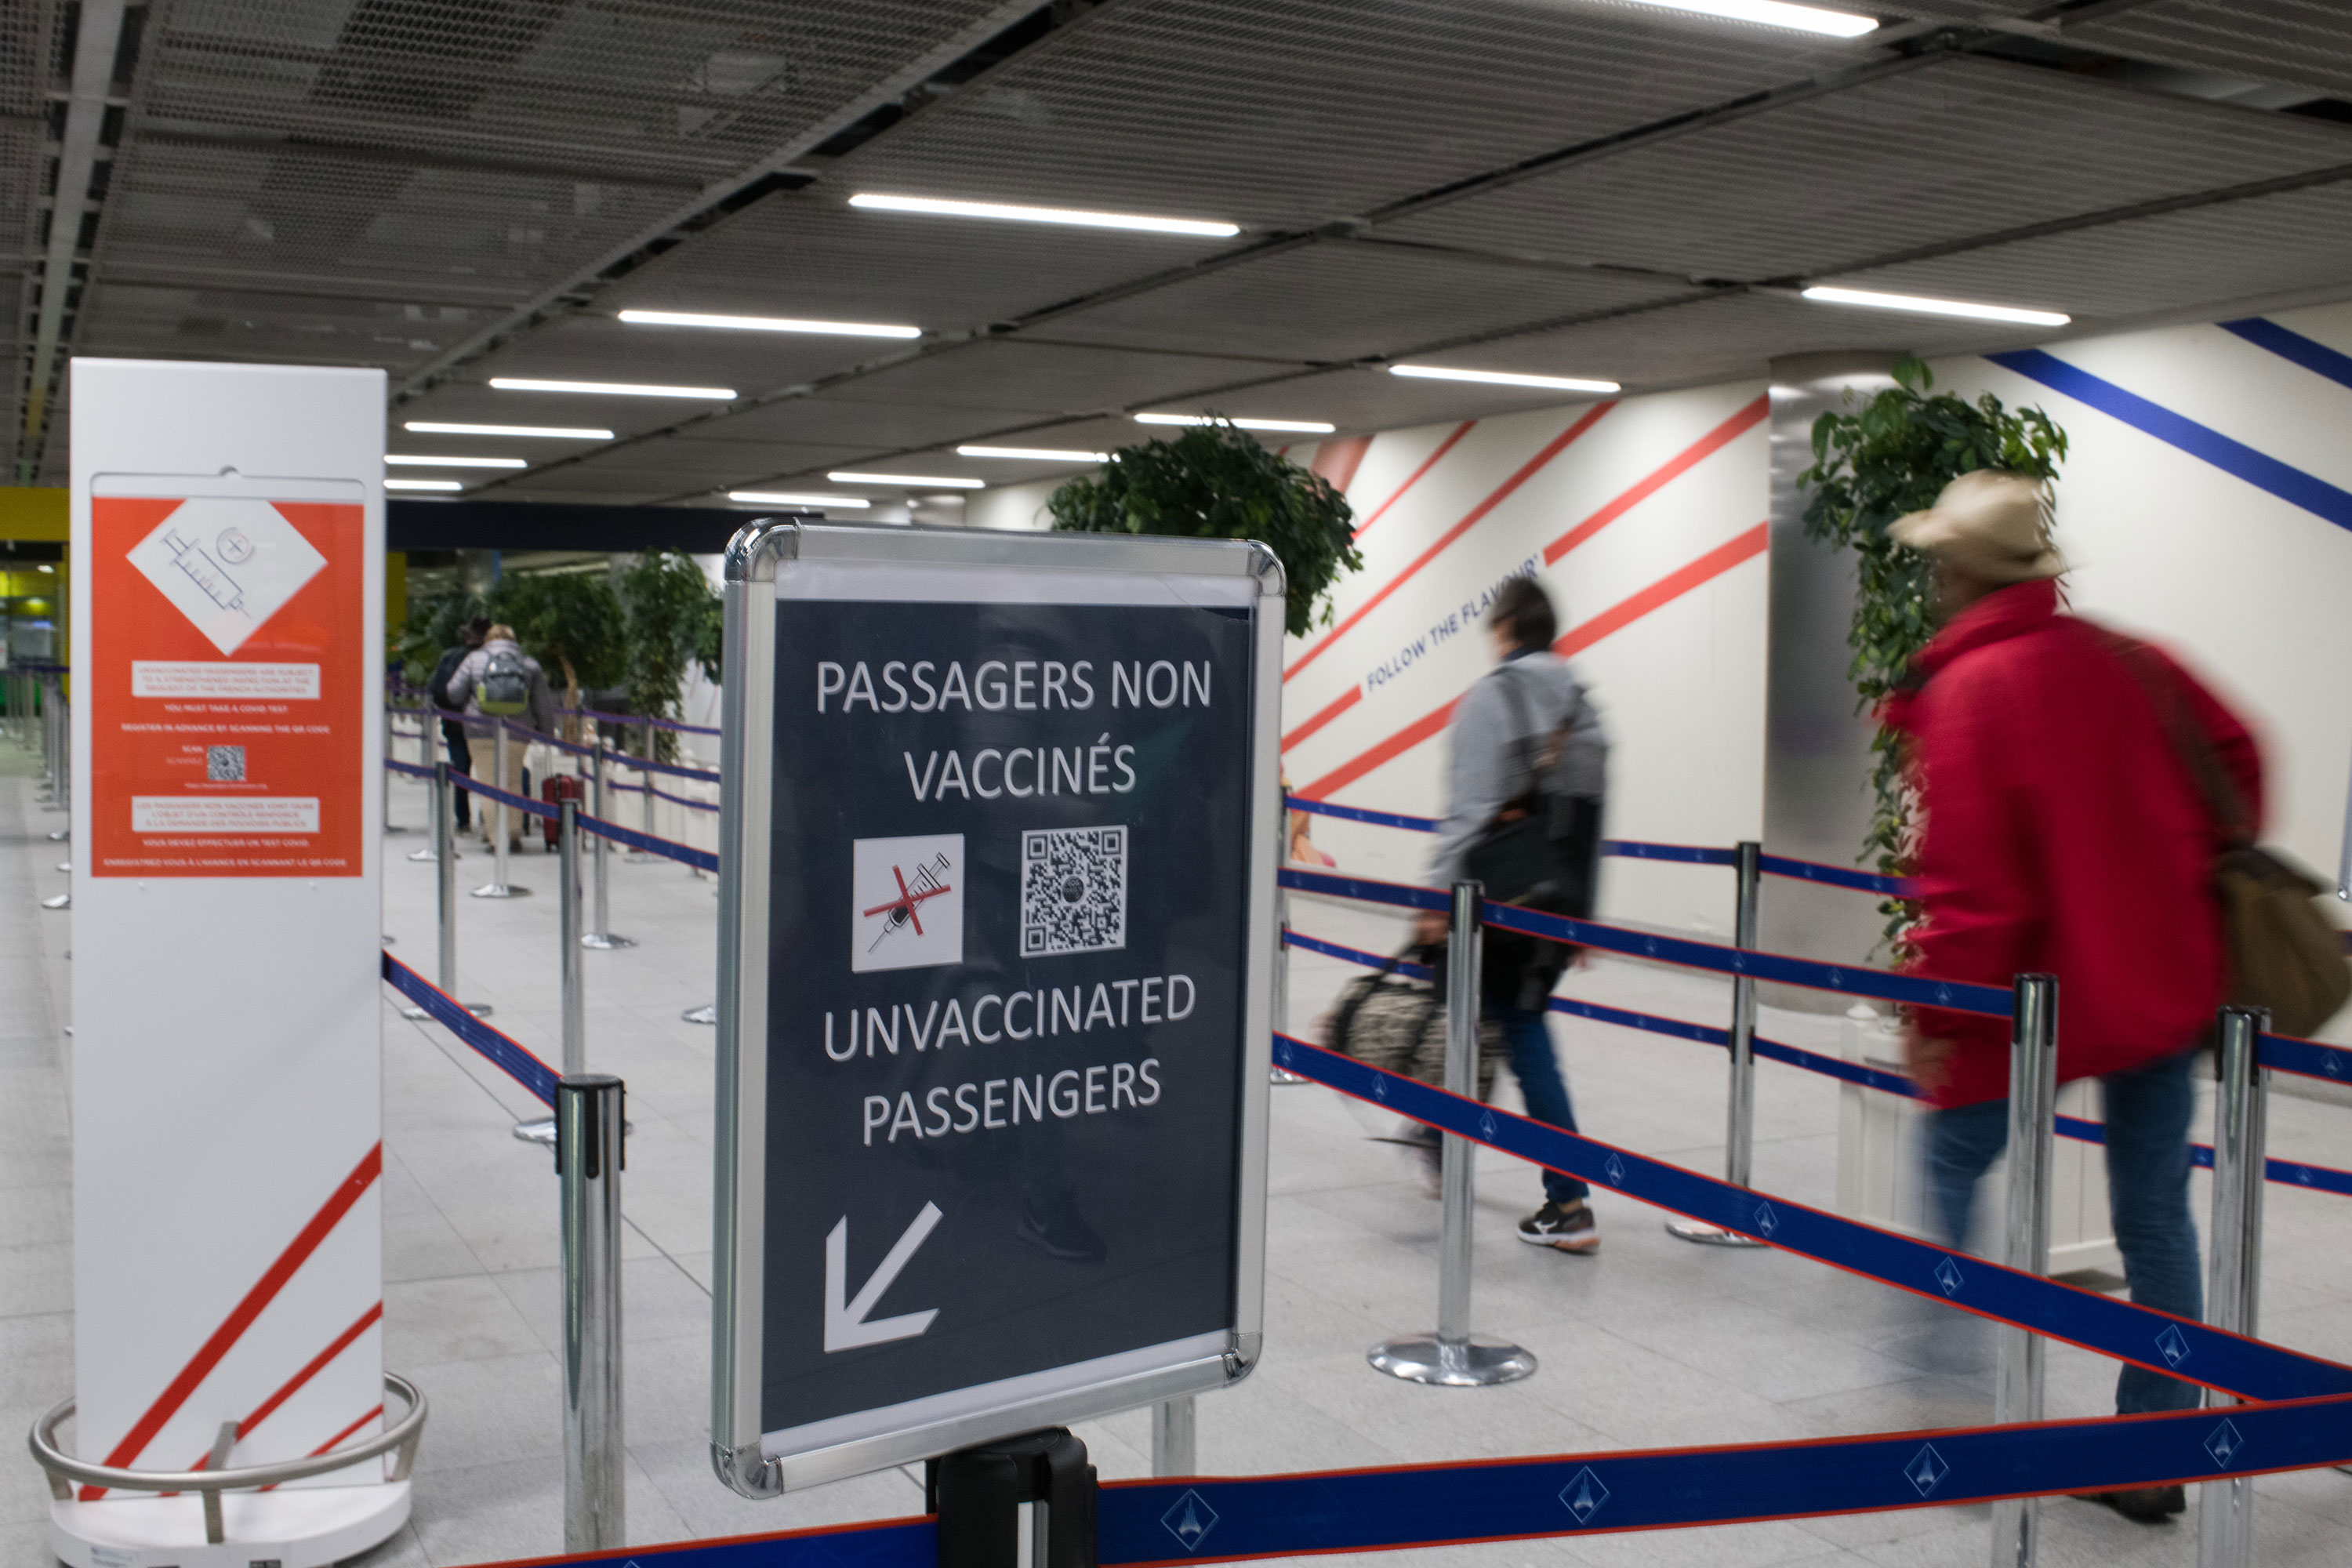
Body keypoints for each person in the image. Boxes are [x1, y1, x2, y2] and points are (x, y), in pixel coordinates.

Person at [1883, 470, 2260, 1526]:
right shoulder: (2135, 660)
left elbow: (1969, 892)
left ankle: (1958, 1412)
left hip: (2033, 998)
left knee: (1952, 1167)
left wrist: (1937, 1018)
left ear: (1956, 569)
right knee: (2153, 1208)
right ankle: (2154, 1447)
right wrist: (2167, 867)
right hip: (2158, 980)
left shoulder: (1970, 689)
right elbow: (2242, 762)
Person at [1414, 575, 1608, 1253]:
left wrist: (1434, 900)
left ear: (1503, 629)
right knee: (1506, 1022)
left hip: (1489, 899)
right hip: (1553, 906)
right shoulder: (1583, 708)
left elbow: (1466, 814)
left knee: (1500, 1025)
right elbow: (1588, 821)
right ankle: (1445, 1141)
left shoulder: (1490, 700)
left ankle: (1568, 1196)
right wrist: (1582, 916)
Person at [445, 622, 558, 850]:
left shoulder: (474, 660)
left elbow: (453, 692)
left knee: (488, 783)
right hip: (518, 730)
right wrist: (547, 734)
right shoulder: (528, 664)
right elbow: (543, 705)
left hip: (480, 730)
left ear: (488, 640)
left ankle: (497, 839)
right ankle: (514, 834)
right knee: (513, 780)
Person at [426, 616, 488, 832]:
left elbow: (437, 690)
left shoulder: (450, 657)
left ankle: (463, 819)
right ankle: (489, 817)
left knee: (461, 771)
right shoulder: (493, 658)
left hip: (455, 724)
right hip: (487, 727)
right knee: (489, 772)